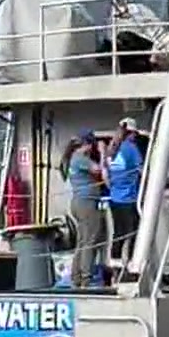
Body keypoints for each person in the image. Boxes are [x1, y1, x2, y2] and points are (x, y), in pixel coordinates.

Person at [65, 129, 106, 288]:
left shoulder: (74, 158)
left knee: (82, 241)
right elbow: (98, 169)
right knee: (90, 240)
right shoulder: (80, 158)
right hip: (86, 202)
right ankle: (86, 278)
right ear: (88, 144)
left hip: (78, 201)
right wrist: (103, 154)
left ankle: (76, 276)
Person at [105, 118, 143, 276]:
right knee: (133, 233)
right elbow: (143, 170)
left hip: (114, 197)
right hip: (129, 198)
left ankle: (116, 265)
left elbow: (106, 173)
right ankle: (132, 265)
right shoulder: (131, 149)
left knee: (118, 232)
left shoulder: (113, 148)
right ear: (131, 133)